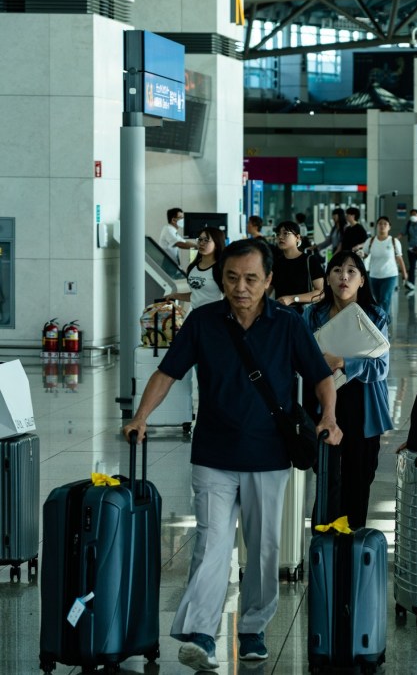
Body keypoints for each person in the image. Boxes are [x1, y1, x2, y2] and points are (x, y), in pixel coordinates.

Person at [123, 239, 342, 671]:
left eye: (251, 279)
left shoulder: (288, 323)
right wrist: (140, 416)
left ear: (269, 281)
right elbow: (168, 372)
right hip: (214, 451)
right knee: (211, 544)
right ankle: (202, 634)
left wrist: (329, 418)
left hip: (269, 454)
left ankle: (253, 628)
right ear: (220, 278)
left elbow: (321, 377)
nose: (240, 287)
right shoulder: (204, 321)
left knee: (263, 549)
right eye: (231, 278)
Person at [304, 250, 393, 529]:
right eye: (337, 270)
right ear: (327, 279)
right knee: (327, 475)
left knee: (359, 478)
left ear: (362, 281)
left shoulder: (375, 317)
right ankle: (324, 541)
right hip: (322, 403)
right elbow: (298, 359)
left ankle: (352, 545)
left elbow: (380, 368)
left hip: (363, 405)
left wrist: (343, 361)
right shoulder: (313, 315)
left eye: (352, 271)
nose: (344, 276)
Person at [164, 227, 225, 309]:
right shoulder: (193, 267)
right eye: (200, 239)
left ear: (217, 244)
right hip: (195, 316)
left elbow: (228, 297)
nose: (201, 243)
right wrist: (175, 296)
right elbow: (196, 295)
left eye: (206, 240)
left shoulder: (221, 269)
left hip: (213, 317)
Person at [270, 220, 325, 312]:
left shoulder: (310, 260)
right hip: (281, 314)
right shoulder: (276, 263)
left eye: (286, 233)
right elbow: (266, 291)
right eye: (278, 234)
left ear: (298, 238)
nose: (280, 237)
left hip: (303, 315)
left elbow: (321, 292)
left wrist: (292, 299)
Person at [364, 216, 407, 319]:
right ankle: (382, 320)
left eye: (385, 224)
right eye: (380, 224)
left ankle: (383, 324)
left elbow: (399, 258)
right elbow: (365, 254)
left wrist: (404, 273)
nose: (382, 226)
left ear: (389, 227)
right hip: (374, 275)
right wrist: (360, 254)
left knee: (385, 299)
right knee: (377, 300)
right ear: (376, 226)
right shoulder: (370, 241)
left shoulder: (394, 241)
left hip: (389, 275)